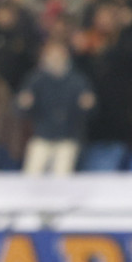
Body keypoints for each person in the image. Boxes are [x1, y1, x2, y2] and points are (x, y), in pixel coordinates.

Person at [16, 40, 94, 176]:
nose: (55, 58)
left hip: (67, 138)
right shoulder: (36, 79)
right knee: (32, 175)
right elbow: (21, 107)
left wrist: (87, 106)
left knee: (61, 177)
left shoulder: (77, 80)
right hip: (42, 136)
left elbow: (89, 110)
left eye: (59, 54)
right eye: (51, 54)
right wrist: (24, 104)